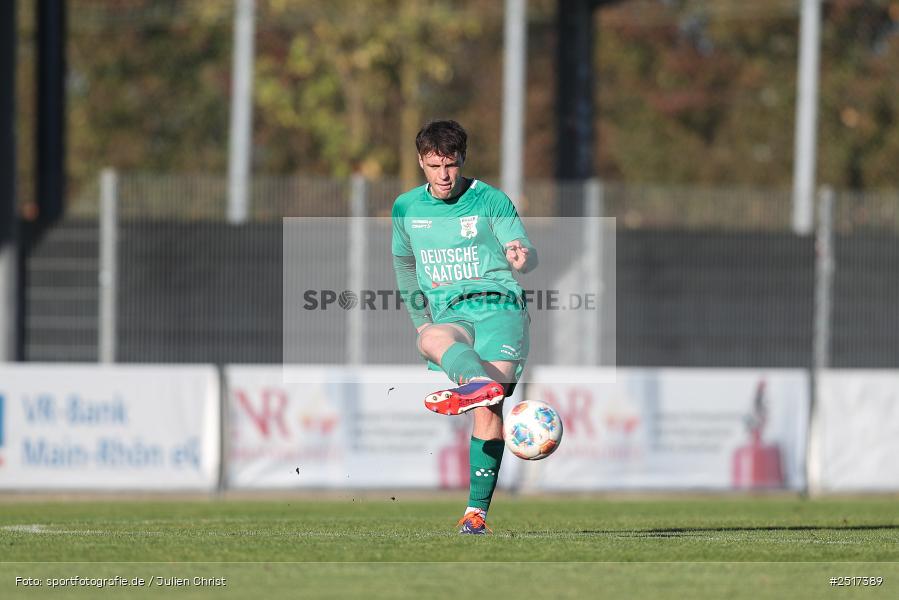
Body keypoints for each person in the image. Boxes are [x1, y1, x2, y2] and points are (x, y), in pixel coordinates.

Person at [391, 120, 537, 534]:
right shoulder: (406, 208)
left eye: (451, 165)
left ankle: (475, 516)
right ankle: (475, 381)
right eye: (434, 165)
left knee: (489, 409)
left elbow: (522, 248)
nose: (443, 176)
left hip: (500, 308)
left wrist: (521, 254)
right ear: (421, 161)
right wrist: (421, 320)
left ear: (463, 160)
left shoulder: (490, 200)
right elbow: (404, 266)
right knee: (430, 339)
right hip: (451, 313)